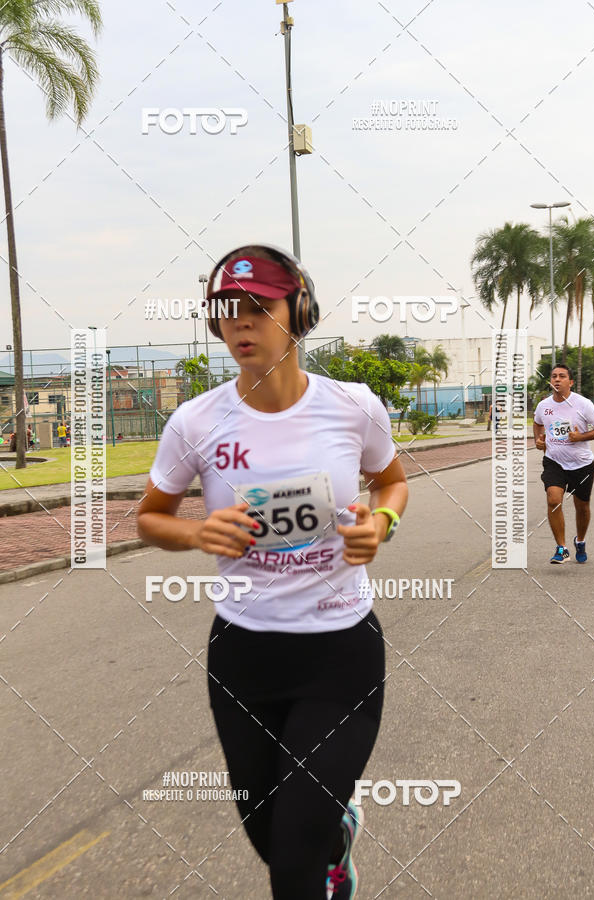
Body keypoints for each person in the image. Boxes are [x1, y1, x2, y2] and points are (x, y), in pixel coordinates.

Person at [137, 245, 408, 899]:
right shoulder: (196, 422)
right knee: (269, 834)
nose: (241, 323)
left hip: (339, 653)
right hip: (243, 657)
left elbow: (392, 483)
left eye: (259, 306)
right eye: (227, 310)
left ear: (300, 311)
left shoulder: (353, 406)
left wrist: (381, 524)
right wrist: (199, 531)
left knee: (293, 861)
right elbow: (151, 517)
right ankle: (337, 837)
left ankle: (322, 853)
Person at [533, 363, 594, 563]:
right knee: (553, 500)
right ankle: (561, 548)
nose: (557, 379)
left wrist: (580, 437)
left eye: (562, 376)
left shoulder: (583, 404)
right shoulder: (543, 406)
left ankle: (580, 540)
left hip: (581, 464)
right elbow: (537, 423)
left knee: (582, 506)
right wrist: (539, 440)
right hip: (554, 462)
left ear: (570, 382)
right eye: (554, 376)